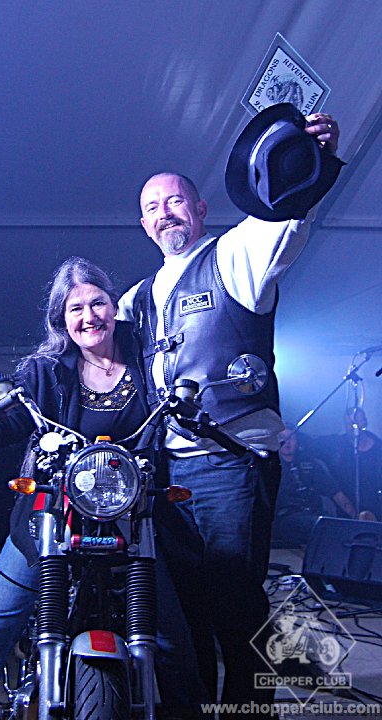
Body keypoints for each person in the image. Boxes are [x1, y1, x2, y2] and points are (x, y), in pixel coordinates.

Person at [117, 112, 341, 714]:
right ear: (143, 224)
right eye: (152, 207)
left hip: (230, 464)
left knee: (235, 608)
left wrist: (308, 157)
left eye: (175, 201)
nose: (164, 214)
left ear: (200, 208)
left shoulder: (236, 254)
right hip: (165, 475)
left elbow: (285, 209)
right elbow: (85, 350)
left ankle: (249, 710)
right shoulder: (138, 299)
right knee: (182, 611)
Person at [0, 257, 202, 720]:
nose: (89, 316)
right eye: (76, 308)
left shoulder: (149, 362)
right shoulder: (46, 370)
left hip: (132, 515)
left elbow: (182, 401)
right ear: (61, 318)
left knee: (172, 636)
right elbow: (11, 417)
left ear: (114, 306)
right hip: (51, 512)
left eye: (97, 303)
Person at [272, 426, 355, 546]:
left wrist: (355, 518)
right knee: (319, 526)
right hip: (285, 518)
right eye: (282, 437)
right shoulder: (269, 466)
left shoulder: (311, 464)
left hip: (314, 514)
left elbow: (335, 492)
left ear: (297, 440)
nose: (287, 442)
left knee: (334, 525)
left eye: (291, 437)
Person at [317, 407, 382, 520]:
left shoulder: (378, 449)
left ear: (365, 422)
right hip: (345, 515)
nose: (353, 427)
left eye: (357, 422)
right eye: (349, 423)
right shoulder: (336, 446)